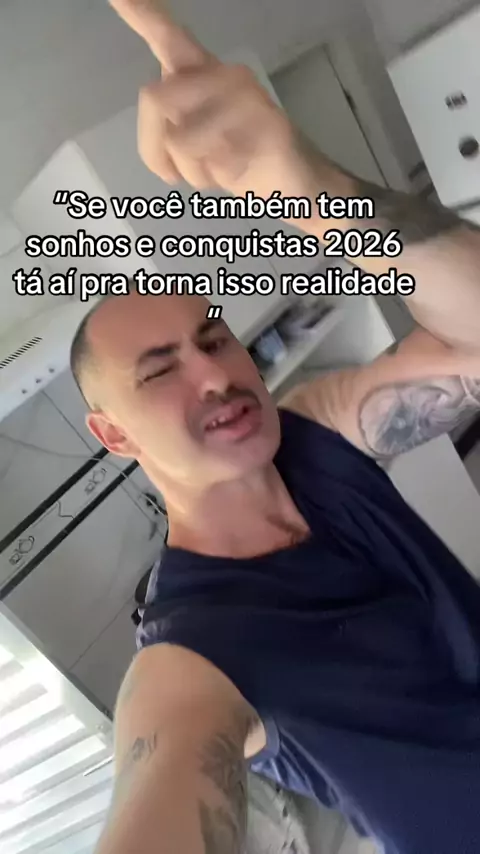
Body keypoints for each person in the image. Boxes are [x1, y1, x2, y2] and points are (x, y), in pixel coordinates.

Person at [75, 1, 480, 852]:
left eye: (213, 337)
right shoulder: (190, 653)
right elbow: (166, 774)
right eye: (160, 370)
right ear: (114, 435)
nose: (216, 374)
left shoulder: (311, 435)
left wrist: (314, 189)